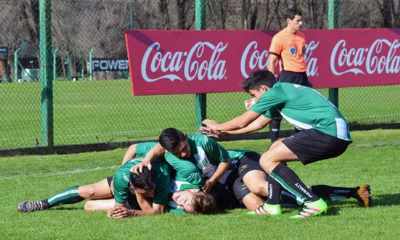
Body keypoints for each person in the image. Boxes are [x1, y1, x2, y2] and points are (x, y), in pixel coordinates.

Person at [202, 70, 352, 218]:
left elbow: (243, 121)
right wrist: (227, 133)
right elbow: (257, 125)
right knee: (275, 148)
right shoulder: (281, 92)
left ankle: (313, 202)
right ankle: (273, 205)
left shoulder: (276, 92)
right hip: (334, 133)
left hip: (328, 132)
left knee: (267, 160)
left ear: (264, 89)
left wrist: (217, 126)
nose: (254, 99)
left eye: (254, 95)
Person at [17, 157, 172, 219]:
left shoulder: (161, 177)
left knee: (89, 206)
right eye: (146, 191)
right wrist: (117, 210)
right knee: (88, 191)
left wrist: (130, 212)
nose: (151, 193)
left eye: (150, 190)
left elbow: (156, 212)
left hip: (136, 195)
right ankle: (43, 203)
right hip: (123, 187)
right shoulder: (121, 178)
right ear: (132, 185)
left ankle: (100, 203)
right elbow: (119, 207)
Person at [134, 128, 232, 193]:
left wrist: (212, 180)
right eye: (177, 153)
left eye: (184, 148)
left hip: (217, 174)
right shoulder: (166, 150)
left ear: (185, 137)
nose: (183, 154)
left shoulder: (204, 142)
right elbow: (136, 148)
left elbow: (225, 161)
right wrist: (145, 161)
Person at [267, 9, 312, 142]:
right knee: (278, 107)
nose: (301, 23)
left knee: (303, 108)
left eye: (301, 20)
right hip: (288, 76)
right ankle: (273, 141)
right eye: (298, 20)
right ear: (289, 21)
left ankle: (298, 139)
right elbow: (272, 61)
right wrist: (271, 80)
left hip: (302, 75)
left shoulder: (302, 36)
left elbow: (300, 54)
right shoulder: (279, 37)